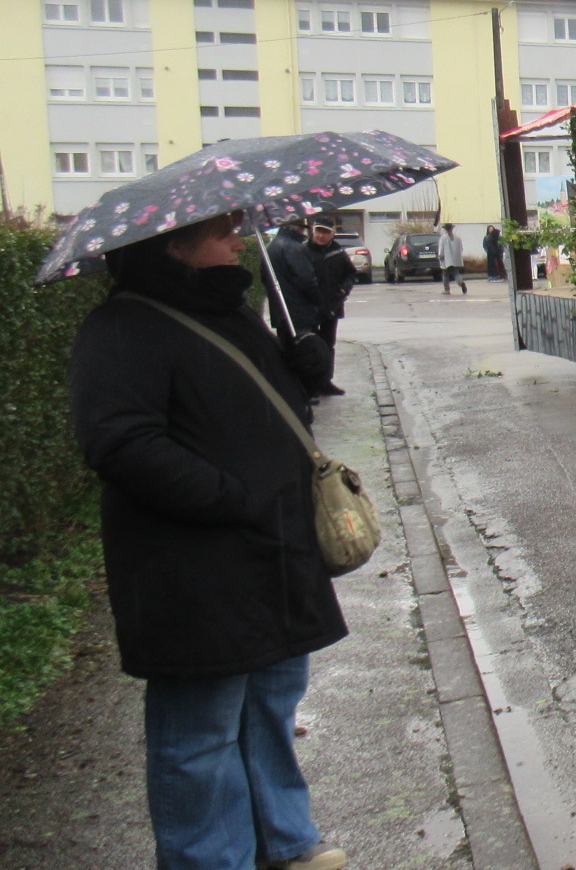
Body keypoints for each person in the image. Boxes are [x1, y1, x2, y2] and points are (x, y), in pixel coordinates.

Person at [70, 211, 349, 870]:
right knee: (199, 735)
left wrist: (299, 368)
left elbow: (244, 403)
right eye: (222, 234)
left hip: (271, 552)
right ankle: (208, 859)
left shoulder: (231, 311)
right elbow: (120, 441)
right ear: (172, 246)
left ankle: (284, 842)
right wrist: (228, 497)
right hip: (194, 567)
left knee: (269, 709)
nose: (235, 242)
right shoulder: (122, 328)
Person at [304, 218, 353, 396]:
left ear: (332, 234)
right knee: (309, 346)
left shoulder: (338, 252)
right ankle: (310, 383)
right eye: (318, 231)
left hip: (332, 305)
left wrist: (343, 289)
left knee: (328, 345)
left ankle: (326, 381)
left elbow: (350, 274)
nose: (320, 235)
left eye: (325, 232)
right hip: (309, 306)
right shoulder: (303, 251)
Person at [266, 220, 322, 341]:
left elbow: (265, 279)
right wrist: (319, 301)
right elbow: (307, 281)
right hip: (299, 313)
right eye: (303, 229)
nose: (304, 233)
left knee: (287, 350)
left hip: (280, 312)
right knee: (305, 351)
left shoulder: (271, 247)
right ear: (296, 229)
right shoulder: (294, 248)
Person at [438, 222, 466, 294]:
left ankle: (447, 289)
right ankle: (461, 282)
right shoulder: (458, 238)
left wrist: (440, 256)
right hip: (456, 259)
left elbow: (441, 250)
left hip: (447, 260)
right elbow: (461, 249)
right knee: (456, 273)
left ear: (445, 230)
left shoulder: (443, 238)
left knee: (445, 274)